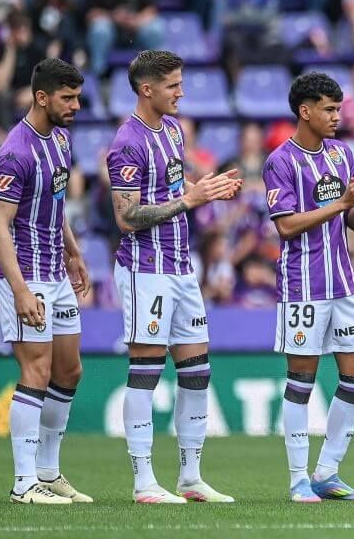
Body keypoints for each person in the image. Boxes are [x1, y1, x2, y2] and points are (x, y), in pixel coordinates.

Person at [106, 50, 242, 504]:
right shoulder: (127, 142)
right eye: (173, 85)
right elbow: (126, 217)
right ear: (148, 89)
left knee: (197, 372)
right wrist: (192, 200)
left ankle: (190, 478)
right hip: (145, 269)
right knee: (146, 371)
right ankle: (144, 482)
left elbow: (173, 188)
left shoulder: (173, 130)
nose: (181, 92)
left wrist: (208, 190)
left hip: (182, 268)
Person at [262, 72, 354, 503]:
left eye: (338, 108)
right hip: (302, 286)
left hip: (344, 282)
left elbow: (351, 222)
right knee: (302, 379)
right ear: (306, 110)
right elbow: (286, 226)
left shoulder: (342, 154)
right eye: (329, 109)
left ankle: (327, 472)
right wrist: (342, 202)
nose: (337, 116)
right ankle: (298, 480)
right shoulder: (280, 161)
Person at [0, 59, 92, 504]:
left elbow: (56, 202)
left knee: (69, 370)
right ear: (41, 97)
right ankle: (23, 484)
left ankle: (48, 472)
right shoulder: (16, 151)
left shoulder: (62, 141)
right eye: (67, 98)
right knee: (37, 370)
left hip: (55, 270)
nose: (76, 105)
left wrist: (72, 249)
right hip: (26, 275)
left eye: (77, 97)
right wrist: (21, 290)